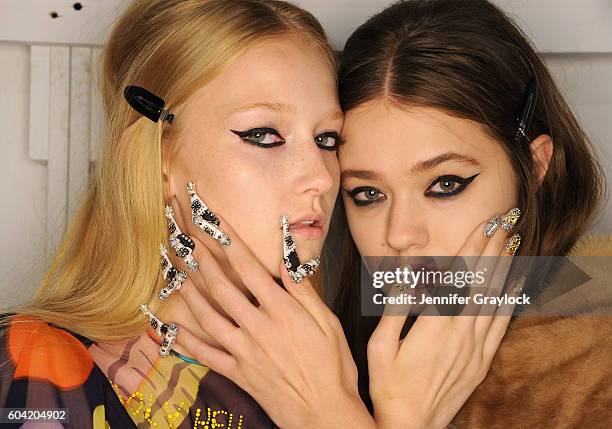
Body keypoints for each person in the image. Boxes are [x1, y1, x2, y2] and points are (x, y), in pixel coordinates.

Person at [0, 1, 512, 428]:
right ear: (159, 156)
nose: (321, 175)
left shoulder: (375, 370)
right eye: (263, 136)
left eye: (327, 140)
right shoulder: (38, 362)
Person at [333, 0, 612, 427]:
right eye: (368, 193)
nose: (401, 236)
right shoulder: (330, 350)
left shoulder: (593, 367)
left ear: (534, 167)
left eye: (446, 184)